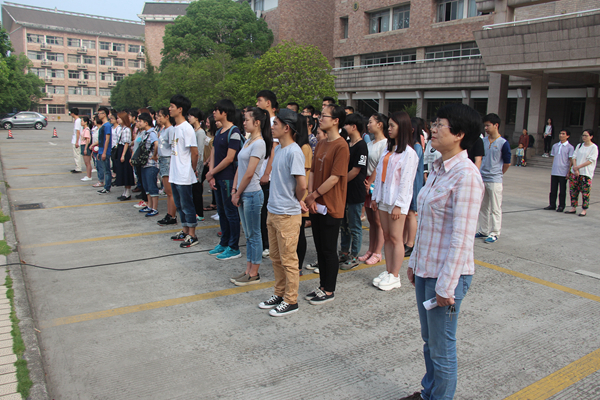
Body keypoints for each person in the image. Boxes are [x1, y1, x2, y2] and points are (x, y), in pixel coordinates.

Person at [401, 103, 484, 400]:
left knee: (442, 346)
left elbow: (462, 238)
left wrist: (447, 285)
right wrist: (414, 262)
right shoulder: (438, 168)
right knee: (429, 341)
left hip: (447, 277)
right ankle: (429, 393)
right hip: (426, 269)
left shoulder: (466, 175)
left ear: (459, 134)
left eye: (439, 125)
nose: (432, 130)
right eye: (433, 124)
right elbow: (427, 222)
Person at [257, 108, 307, 316]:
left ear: (287, 128)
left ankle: (291, 300)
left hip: (287, 214)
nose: (272, 127)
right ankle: (279, 293)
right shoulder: (278, 149)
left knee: (289, 260)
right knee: (276, 258)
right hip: (273, 211)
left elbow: (302, 185)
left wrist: (296, 200)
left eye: (275, 123)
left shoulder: (295, 152)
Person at [304, 104, 350, 305]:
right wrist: (310, 196)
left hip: (331, 205)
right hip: (316, 203)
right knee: (320, 248)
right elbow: (313, 171)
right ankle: (322, 286)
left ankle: (329, 289)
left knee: (329, 250)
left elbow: (334, 178)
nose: (320, 119)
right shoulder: (322, 143)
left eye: (324, 116)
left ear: (336, 121)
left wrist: (313, 195)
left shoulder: (341, 146)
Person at [371, 111, 418, 291]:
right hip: (383, 198)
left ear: (402, 127)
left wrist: (399, 205)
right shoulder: (388, 149)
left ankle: (395, 275)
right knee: (387, 236)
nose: (389, 129)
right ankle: (389, 271)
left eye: (392, 126)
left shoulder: (409, 153)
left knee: (396, 238)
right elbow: (379, 176)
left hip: (396, 202)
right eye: (388, 125)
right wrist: (375, 197)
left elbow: (406, 182)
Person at [230, 107, 271, 286]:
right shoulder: (248, 141)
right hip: (243, 193)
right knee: (248, 235)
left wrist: (237, 193)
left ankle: (254, 272)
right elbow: (240, 167)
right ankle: (248, 270)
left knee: (254, 234)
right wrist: (234, 190)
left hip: (252, 193)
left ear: (257, 122)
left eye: (247, 119)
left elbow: (249, 173)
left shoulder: (259, 143)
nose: (244, 122)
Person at [207, 99, 243, 260]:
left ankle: (234, 247)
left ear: (225, 112)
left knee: (230, 213)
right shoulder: (219, 131)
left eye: (217, 110)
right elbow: (213, 152)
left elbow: (229, 158)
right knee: (221, 212)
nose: (214, 113)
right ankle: (224, 242)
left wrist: (212, 172)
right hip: (218, 177)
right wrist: (211, 174)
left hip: (228, 178)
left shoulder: (234, 132)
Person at [168, 95, 200, 248]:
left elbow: (195, 152)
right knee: (179, 205)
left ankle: (192, 235)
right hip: (175, 173)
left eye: (172, 106)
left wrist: (191, 169)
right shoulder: (175, 128)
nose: (169, 109)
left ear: (180, 109)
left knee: (187, 205)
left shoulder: (187, 128)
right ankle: (185, 230)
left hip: (184, 174)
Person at [357, 113, 388, 266]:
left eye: (371, 122)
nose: (368, 125)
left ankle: (377, 252)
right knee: (371, 220)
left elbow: (380, 166)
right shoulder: (369, 144)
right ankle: (370, 250)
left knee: (378, 221)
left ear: (380, 124)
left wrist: (370, 182)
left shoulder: (385, 144)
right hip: (367, 182)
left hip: (376, 183)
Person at [339, 113, 368, 270]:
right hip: (345, 191)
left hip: (355, 191)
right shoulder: (347, 143)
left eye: (346, 125)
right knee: (344, 225)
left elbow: (356, 170)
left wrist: (340, 182)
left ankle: (354, 255)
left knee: (354, 225)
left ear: (354, 126)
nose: (344, 127)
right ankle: (344, 252)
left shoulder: (362, 146)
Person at [476, 113, 511, 244]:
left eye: (488, 125)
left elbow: (507, 163)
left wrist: (499, 173)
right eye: (484, 126)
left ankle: (495, 232)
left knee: (495, 208)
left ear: (496, 125)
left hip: (495, 179)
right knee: (483, 206)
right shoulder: (483, 141)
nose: (485, 128)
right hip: (482, 178)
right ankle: (483, 230)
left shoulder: (503, 143)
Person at [255, 90, 278, 259]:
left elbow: (273, 150)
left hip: (267, 176)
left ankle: (267, 244)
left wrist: (267, 173)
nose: (257, 104)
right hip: (259, 173)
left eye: (259, 100)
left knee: (265, 212)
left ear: (268, 103)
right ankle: (263, 242)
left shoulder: (273, 122)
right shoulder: (263, 121)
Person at [404, 118, 425, 258]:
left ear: (412, 130)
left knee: (411, 213)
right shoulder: (411, 145)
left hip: (413, 184)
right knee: (406, 214)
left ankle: (410, 244)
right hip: (409, 184)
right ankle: (406, 241)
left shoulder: (416, 147)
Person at [566, 129, 598, 216]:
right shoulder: (579, 145)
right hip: (575, 172)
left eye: (586, 135)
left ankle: (584, 209)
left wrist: (578, 167)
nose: (584, 137)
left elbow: (590, 160)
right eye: (583, 135)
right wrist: (575, 168)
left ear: (591, 137)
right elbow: (574, 157)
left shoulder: (593, 147)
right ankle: (573, 207)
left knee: (585, 192)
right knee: (573, 191)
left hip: (585, 173)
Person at [156, 108, 178, 225]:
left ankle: (172, 215)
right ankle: (169, 214)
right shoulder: (163, 129)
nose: (158, 118)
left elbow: (173, 148)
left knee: (170, 191)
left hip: (168, 160)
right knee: (167, 191)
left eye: (160, 116)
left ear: (167, 116)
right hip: (162, 159)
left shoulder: (171, 130)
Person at [543, 129, 574, 212]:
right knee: (553, 190)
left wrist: (569, 172)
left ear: (568, 136)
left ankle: (561, 206)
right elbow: (553, 157)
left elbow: (571, 160)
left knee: (562, 190)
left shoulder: (570, 147)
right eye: (560, 133)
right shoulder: (555, 146)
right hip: (555, 171)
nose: (561, 135)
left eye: (563, 134)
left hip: (563, 171)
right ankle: (552, 204)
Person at [136, 113, 160, 217]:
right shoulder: (145, 133)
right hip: (145, 164)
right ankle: (149, 206)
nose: (138, 123)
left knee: (152, 186)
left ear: (146, 122)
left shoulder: (152, 133)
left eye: (140, 121)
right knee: (147, 186)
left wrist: (154, 155)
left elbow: (156, 144)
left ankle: (154, 208)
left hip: (151, 164)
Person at [188, 108, 206, 222]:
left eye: (191, 116)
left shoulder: (200, 132)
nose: (189, 118)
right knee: (193, 190)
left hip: (198, 166)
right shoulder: (193, 131)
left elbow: (200, 152)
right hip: (192, 165)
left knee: (197, 189)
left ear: (197, 118)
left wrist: (197, 169)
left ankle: (199, 213)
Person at [114, 112, 134, 200]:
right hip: (120, 149)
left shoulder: (127, 129)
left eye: (119, 118)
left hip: (124, 151)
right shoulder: (121, 128)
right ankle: (125, 192)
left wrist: (123, 155)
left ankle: (128, 193)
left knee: (126, 172)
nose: (117, 120)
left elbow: (126, 143)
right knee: (122, 172)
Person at [96, 107, 112, 194]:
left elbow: (107, 139)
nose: (98, 115)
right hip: (101, 150)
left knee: (107, 170)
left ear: (104, 114)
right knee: (104, 169)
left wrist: (104, 152)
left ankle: (107, 187)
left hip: (105, 151)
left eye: (100, 113)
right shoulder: (103, 125)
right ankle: (106, 187)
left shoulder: (107, 126)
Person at [70, 108, 83, 174]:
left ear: (73, 113)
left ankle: (78, 168)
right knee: (76, 155)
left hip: (76, 140)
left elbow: (78, 131)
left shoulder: (77, 121)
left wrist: (77, 142)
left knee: (77, 155)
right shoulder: (78, 120)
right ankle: (77, 167)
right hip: (76, 140)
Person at [79, 116, 93, 181]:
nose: (81, 122)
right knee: (86, 163)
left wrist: (85, 148)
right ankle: (88, 175)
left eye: (82, 121)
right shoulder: (84, 129)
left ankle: (89, 176)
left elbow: (87, 140)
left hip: (85, 145)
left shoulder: (87, 130)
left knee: (87, 163)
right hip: (83, 145)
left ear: (85, 122)